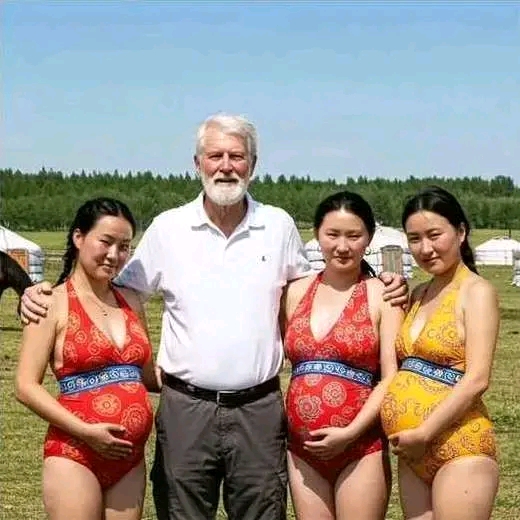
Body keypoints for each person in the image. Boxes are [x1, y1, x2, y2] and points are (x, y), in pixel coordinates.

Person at [20, 113, 409, 520]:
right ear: (197, 164)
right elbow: (115, 288)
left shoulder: (277, 226)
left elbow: (318, 286)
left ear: (253, 165)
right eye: (215, 156)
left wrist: (379, 281)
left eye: (237, 156)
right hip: (186, 408)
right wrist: (43, 292)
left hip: (259, 409)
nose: (226, 166)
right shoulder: (168, 229)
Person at [15, 198, 160, 520]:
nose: (114, 255)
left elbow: (149, 376)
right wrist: (85, 432)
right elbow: (25, 386)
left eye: (124, 246)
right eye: (105, 242)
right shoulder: (50, 304)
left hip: (129, 459)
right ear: (79, 238)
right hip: (75, 452)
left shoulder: (131, 302)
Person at [282, 191, 403, 520]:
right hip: (302, 451)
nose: (342, 246)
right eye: (332, 234)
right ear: (317, 235)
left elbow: (391, 377)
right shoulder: (294, 292)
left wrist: (350, 433)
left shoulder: (384, 295)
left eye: (354, 236)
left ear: (369, 239)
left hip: (360, 447)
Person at [380, 186, 500, 520]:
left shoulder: (476, 292)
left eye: (434, 235)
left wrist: (424, 433)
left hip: (460, 447)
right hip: (413, 456)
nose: (425, 248)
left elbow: (477, 379)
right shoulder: (419, 293)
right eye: (415, 239)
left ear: (461, 232)